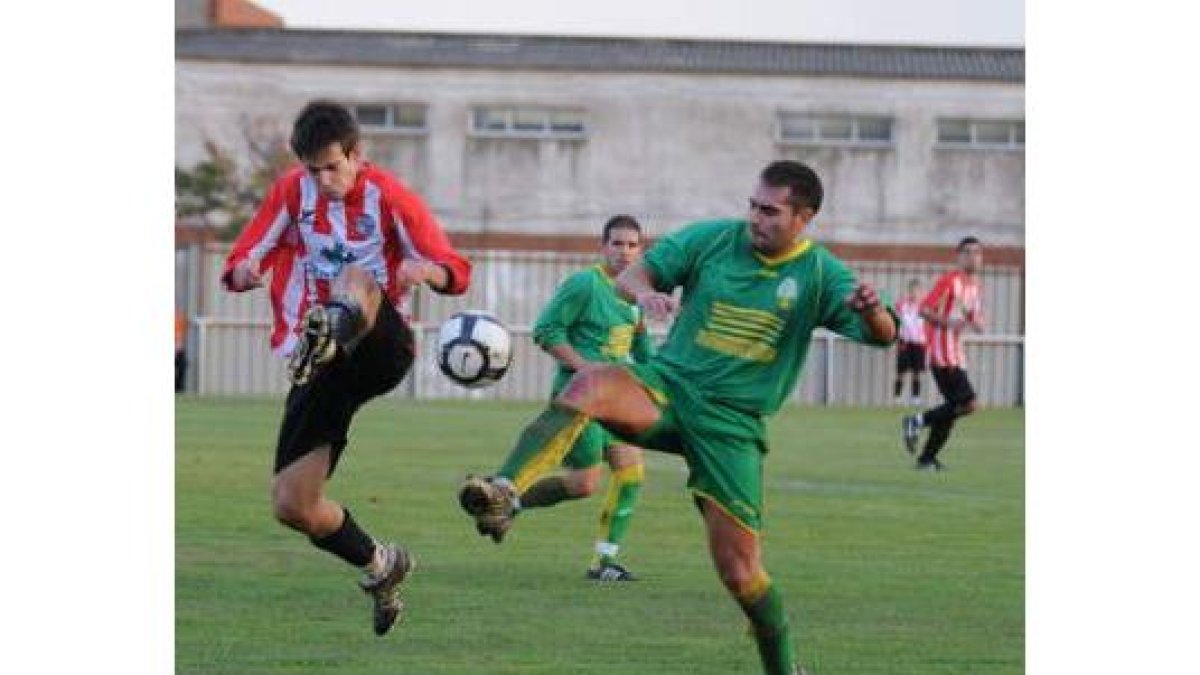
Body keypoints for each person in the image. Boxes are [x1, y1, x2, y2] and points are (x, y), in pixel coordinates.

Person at [458, 160, 896, 675]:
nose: (755, 218)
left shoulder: (821, 273)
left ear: (804, 217)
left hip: (732, 427)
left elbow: (884, 334)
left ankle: (783, 669)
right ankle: (505, 489)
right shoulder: (713, 240)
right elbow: (637, 275)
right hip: (669, 389)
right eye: (753, 205)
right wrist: (644, 292)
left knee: (742, 575)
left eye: (770, 211)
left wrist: (870, 311)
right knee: (592, 382)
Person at [222, 100, 472, 636]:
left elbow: (456, 268)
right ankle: (382, 564)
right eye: (313, 169)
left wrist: (424, 269)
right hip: (321, 365)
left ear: (359, 154)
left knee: (355, 278)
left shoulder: (391, 196)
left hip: (381, 343)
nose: (322, 179)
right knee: (293, 504)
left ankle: (331, 330)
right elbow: (250, 250)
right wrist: (242, 271)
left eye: (333, 166)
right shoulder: (292, 191)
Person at [470, 215, 654, 581]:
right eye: (617, 243)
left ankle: (603, 563)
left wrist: (657, 380)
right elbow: (546, 330)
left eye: (632, 244)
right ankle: (501, 494)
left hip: (617, 402)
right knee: (583, 483)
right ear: (603, 247)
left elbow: (641, 345)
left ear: (641, 249)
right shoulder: (585, 285)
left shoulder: (637, 294)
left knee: (630, 475)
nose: (624, 251)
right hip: (580, 399)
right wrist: (584, 367)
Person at [901, 237, 984, 471]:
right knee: (970, 404)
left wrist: (974, 320)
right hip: (941, 355)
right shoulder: (949, 281)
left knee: (952, 409)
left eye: (978, 253)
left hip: (957, 355)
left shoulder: (974, 287)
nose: (974, 257)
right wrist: (947, 322)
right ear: (958, 256)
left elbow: (977, 321)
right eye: (968, 252)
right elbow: (923, 309)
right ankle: (917, 421)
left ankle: (927, 458)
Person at [892, 278, 926, 405]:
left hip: (918, 343)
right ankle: (897, 397)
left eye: (916, 291)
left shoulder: (924, 307)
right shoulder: (902, 305)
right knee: (901, 371)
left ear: (921, 292)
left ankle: (915, 398)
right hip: (904, 342)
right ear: (908, 291)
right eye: (912, 291)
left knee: (917, 372)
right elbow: (894, 316)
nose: (914, 294)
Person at [175, 307, 188, 393]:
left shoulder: (178, 319)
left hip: (175, 350)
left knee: (182, 362)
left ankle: (178, 389)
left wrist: (177, 349)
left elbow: (179, 339)